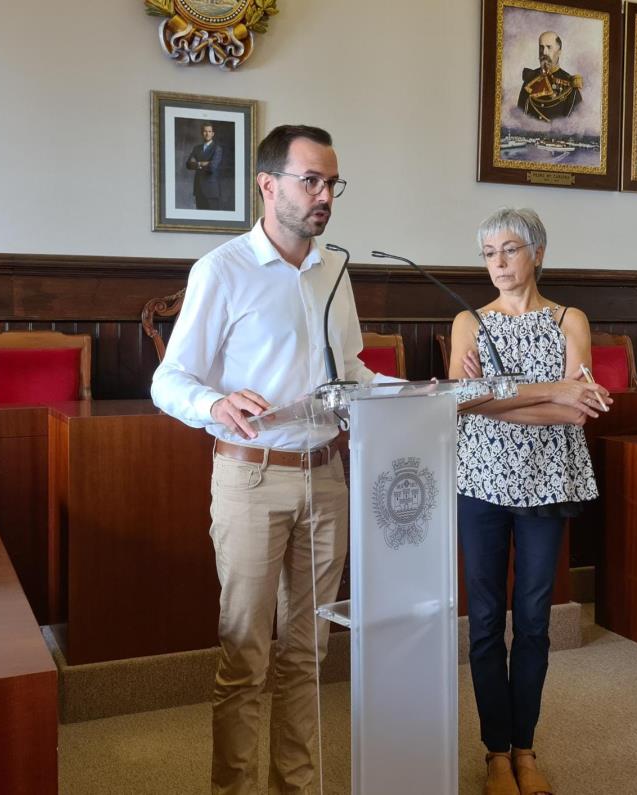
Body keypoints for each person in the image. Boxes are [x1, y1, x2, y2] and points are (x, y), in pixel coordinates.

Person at [152, 124, 377, 795]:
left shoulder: (334, 267)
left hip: (326, 478)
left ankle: (296, 787)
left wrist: (408, 395)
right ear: (267, 184)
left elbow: (354, 368)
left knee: (307, 655)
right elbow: (169, 380)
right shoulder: (221, 269)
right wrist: (216, 403)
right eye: (311, 180)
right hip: (251, 477)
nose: (324, 195)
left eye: (332, 182)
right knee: (245, 655)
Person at [450, 208, 609, 795]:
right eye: (489, 252)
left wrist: (495, 394)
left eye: (510, 249)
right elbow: (457, 403)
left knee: (535, 620)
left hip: (548, 481)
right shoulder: (469, 321)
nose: (498, 262)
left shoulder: (571, 318)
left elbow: (580, 408)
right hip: (482, 482)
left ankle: (525, 747)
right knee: (488, 619)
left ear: (537, 253)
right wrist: (548, 393)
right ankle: (495, 752)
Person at [517, 32, 583, 122]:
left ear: (559, 52)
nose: (544, 52)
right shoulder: (530, 80)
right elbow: (519, 118)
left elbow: (574, 126)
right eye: (541, 47)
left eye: (549, 47)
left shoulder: (570, 85)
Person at [186, 121, 224, 209]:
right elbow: (188, 164)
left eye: (209, 131)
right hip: (198, 189)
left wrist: (196, 163)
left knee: (212, 219)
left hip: (211, 191)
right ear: (202, 133)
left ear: (213, 134)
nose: (207, 134)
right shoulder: (197, 148)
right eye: (205, 131)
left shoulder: (217, 149)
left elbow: (212, 167)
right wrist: (202, 163)